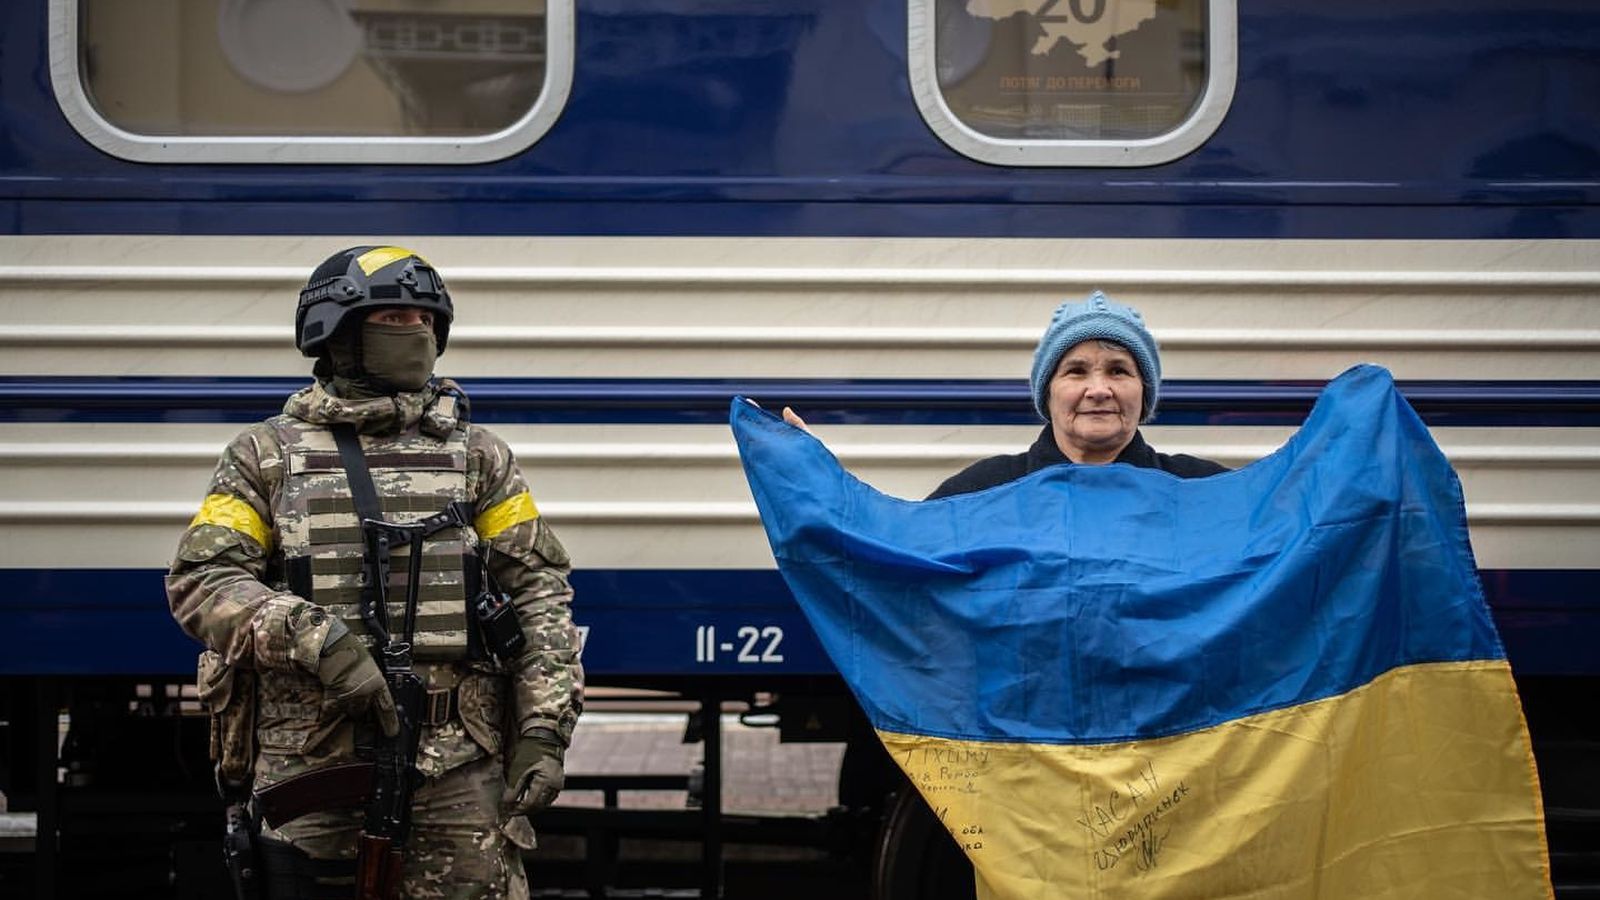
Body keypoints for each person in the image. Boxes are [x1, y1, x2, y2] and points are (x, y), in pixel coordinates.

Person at [168, 246, 583, 899]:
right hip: (312, 756)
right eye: (393, 316)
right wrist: (318, 642)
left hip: (459, 770)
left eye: (426, 319)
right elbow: (204, 583)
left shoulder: (479, 458)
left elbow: (538, 594)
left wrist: (543, 729)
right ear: (336, 334)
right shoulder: (264, 456)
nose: (415, 332)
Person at [926, 289, 1226, 497]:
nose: (1098, 390)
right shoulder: (979, 493)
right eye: (1076, 371)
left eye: (1118, 371)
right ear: (1048, 393)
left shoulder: (1204, 492)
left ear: (1144, 392)